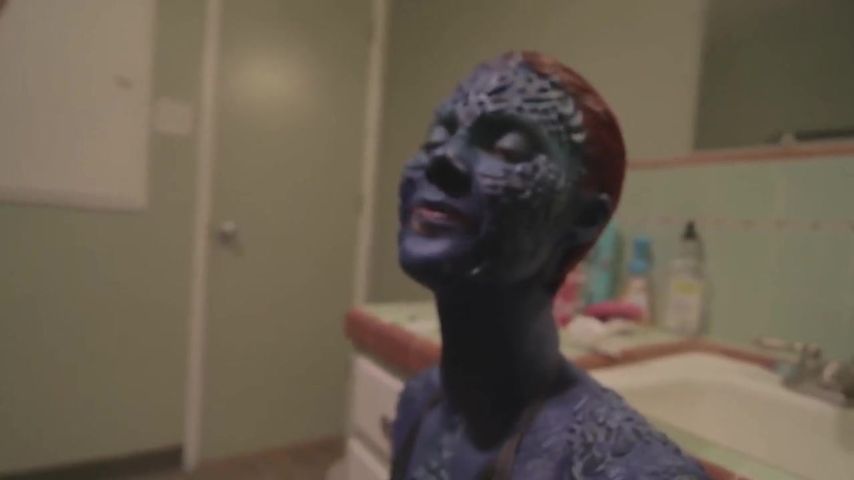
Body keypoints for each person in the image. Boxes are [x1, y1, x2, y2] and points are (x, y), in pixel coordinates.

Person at [392, 51, 709, 479]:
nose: (441, 158)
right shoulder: (418, 403)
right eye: (435, 139)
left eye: (507, 149)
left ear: (584, 219)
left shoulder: (629, 472)